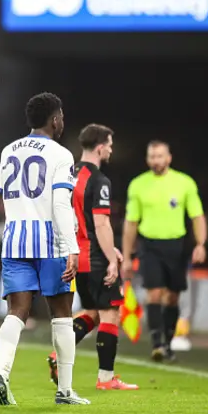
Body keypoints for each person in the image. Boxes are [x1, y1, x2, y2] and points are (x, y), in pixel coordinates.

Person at [0, 92, 89, 406]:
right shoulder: (61, 154)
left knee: (16, 312)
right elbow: (61, 203)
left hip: (15, 238)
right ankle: (65, 390)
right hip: (50, 241)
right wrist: (71, 246)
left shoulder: (7, 151)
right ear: (54, 119)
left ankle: (1, 373)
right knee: (61, 314)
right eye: (60, 116)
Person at [46, 124, 138, 390]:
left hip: (71, 255)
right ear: (100, 147)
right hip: (94, 256)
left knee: (93, 313)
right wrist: (111, 257)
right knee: (110, 314)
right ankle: (106, 379)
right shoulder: (99, 181)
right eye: (109, 144)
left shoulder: (67, 173)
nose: (111, 148)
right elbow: (101, 224)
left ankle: (57, 354)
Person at [121, 141, 206, 362]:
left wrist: (200, 244)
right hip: (149, 245)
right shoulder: (138, 185)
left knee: (172, 297)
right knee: (154, 293)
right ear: (147, 159)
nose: (156, 161)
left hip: (176, 246)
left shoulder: (184, 183)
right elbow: (131, 223)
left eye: (160, 156)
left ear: (169, 158)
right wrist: (127, 256)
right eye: (152, 156)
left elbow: (197, 216)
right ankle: (157, 342)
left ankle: (168, 343)